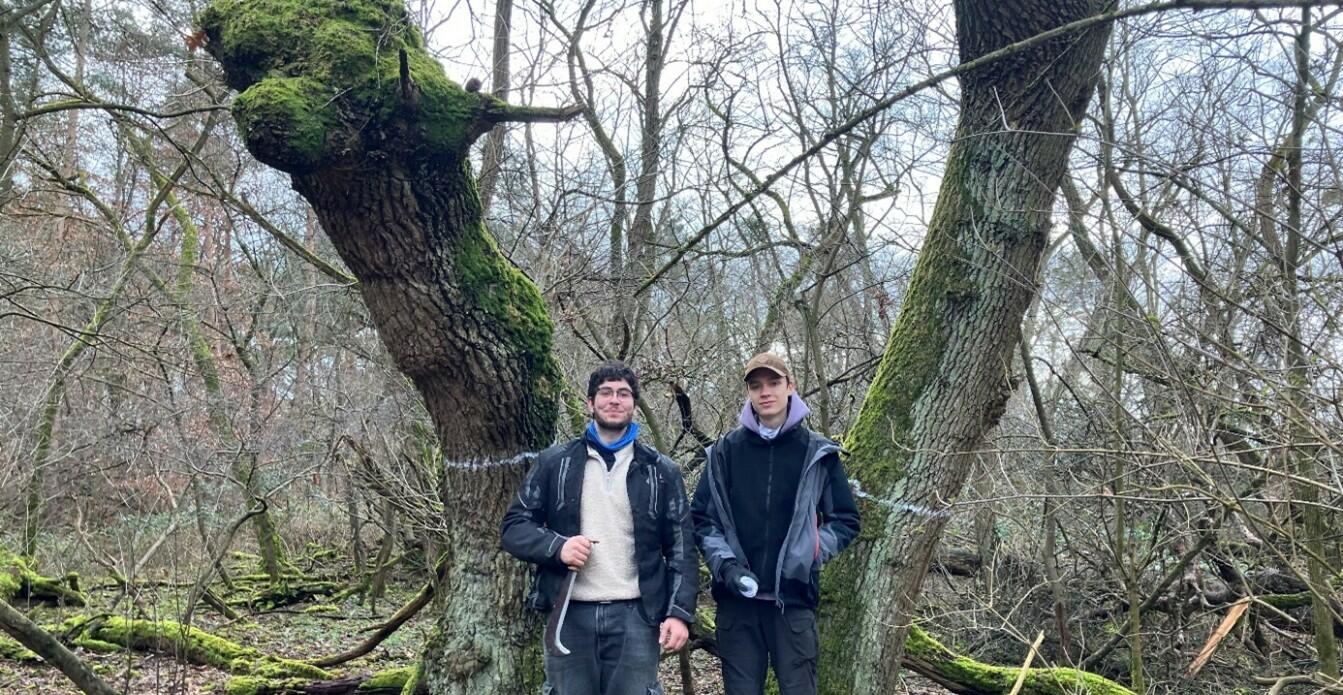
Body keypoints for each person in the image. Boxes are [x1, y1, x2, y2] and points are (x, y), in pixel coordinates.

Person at [501, 361, 696, 695]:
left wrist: (679, 613)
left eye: (623, 393)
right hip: (568, 614)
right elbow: (514, 528)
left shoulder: (661, 470)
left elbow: (681, 548)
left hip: (637, 615)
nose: (614, 400)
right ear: (590, 403)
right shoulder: (555, 463)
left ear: (634, 404)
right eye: (605, 393)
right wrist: (557, 547)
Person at [691, 352, 861, 695]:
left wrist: (810, 551)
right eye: (756, 386)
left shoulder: (817, 453)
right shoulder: (725, 451)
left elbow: (845, 520)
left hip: (793, 604)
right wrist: (727, 567)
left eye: (773, 383)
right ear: (749, 393)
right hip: (737, 607)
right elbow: (703, 520)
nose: (765, 392)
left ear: (790, 387)